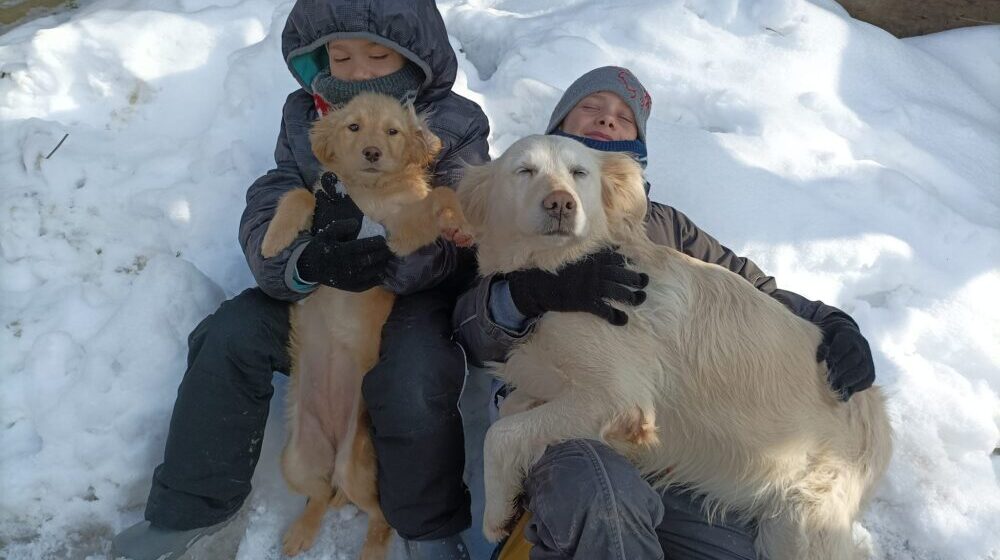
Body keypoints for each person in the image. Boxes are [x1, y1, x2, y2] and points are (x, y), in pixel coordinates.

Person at [110, 1, 489, 559]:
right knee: (230, 334)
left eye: (377, 54)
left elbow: (460, 226)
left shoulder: (453, 120)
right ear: (318, 58)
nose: (357, 68)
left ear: (415, 54)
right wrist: (305, 262)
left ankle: (428, 530)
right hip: (320, 291)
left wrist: (388, 258)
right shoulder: (303, 113)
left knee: (413, 379)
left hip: (410, 298)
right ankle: (187, 511)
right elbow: (276, 192)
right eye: (340, 55)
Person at [453, 66, 876, 560]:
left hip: (684, 457)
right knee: (603, 499)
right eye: (590, 108)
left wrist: (834, 322)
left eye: (622, 119)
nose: (607, 121)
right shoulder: (504, 233)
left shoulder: (670, 229)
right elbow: (468, 328)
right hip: (579, 448)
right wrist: (525, 295)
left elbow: (756, 290)